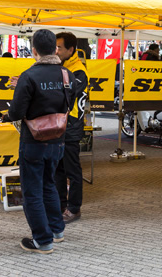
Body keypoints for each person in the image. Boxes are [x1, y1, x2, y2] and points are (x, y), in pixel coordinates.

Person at [8, 29, 74, 254]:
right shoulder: (67, 75)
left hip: (33, 141)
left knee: (32, 191)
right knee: (49, 185)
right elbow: (69, 106)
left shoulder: (28, 76)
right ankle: (57, 231)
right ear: (55, 49)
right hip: (58, 140)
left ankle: (42, 241)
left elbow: (16, 113)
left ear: (34, 50)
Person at [54, 32, 88, 224]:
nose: (56, 51)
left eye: (59, 47)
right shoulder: (61, 66)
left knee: (72, 170)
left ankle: (74, 208)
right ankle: (60, 206)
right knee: (58, 169)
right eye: (55, 47)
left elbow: (65, 95)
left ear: (71, 50)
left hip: (71, 126)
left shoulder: (79, 71)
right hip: (59, 125)